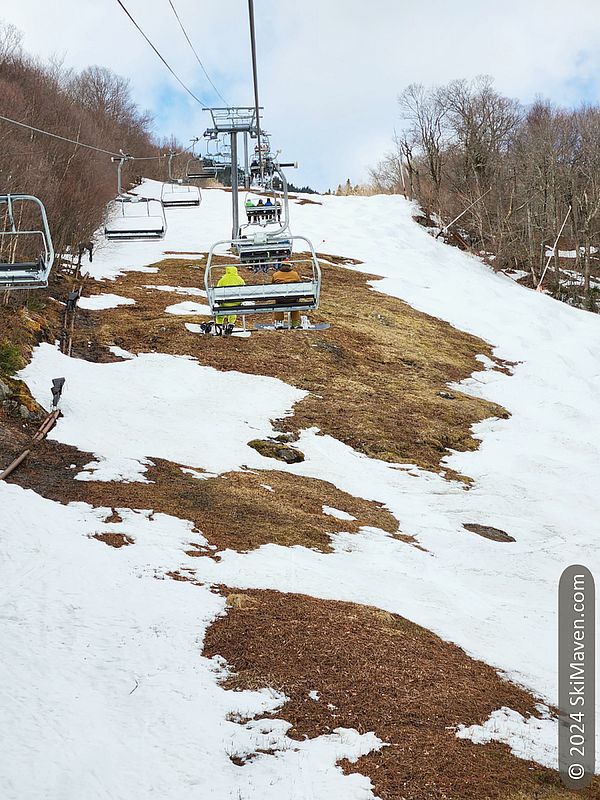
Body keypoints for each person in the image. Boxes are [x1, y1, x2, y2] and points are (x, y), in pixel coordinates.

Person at [272, 259, 304, 329]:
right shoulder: (295, 274)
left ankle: (279, 322)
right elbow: (300, 285)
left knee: (278, 303)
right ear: (290, 266)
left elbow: (272, 286)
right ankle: (295, 323)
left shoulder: (276, 274)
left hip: (281, 299)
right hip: (293, 298)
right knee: (295, 303)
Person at [215, 265, 245, 333]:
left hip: (224, 303)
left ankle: (219, 324)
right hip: (236, 303)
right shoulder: (240, 279)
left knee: (221, 311)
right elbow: (244, 290)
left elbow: (217, 291)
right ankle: (231, 323)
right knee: (233, 310)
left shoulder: (223, 280)